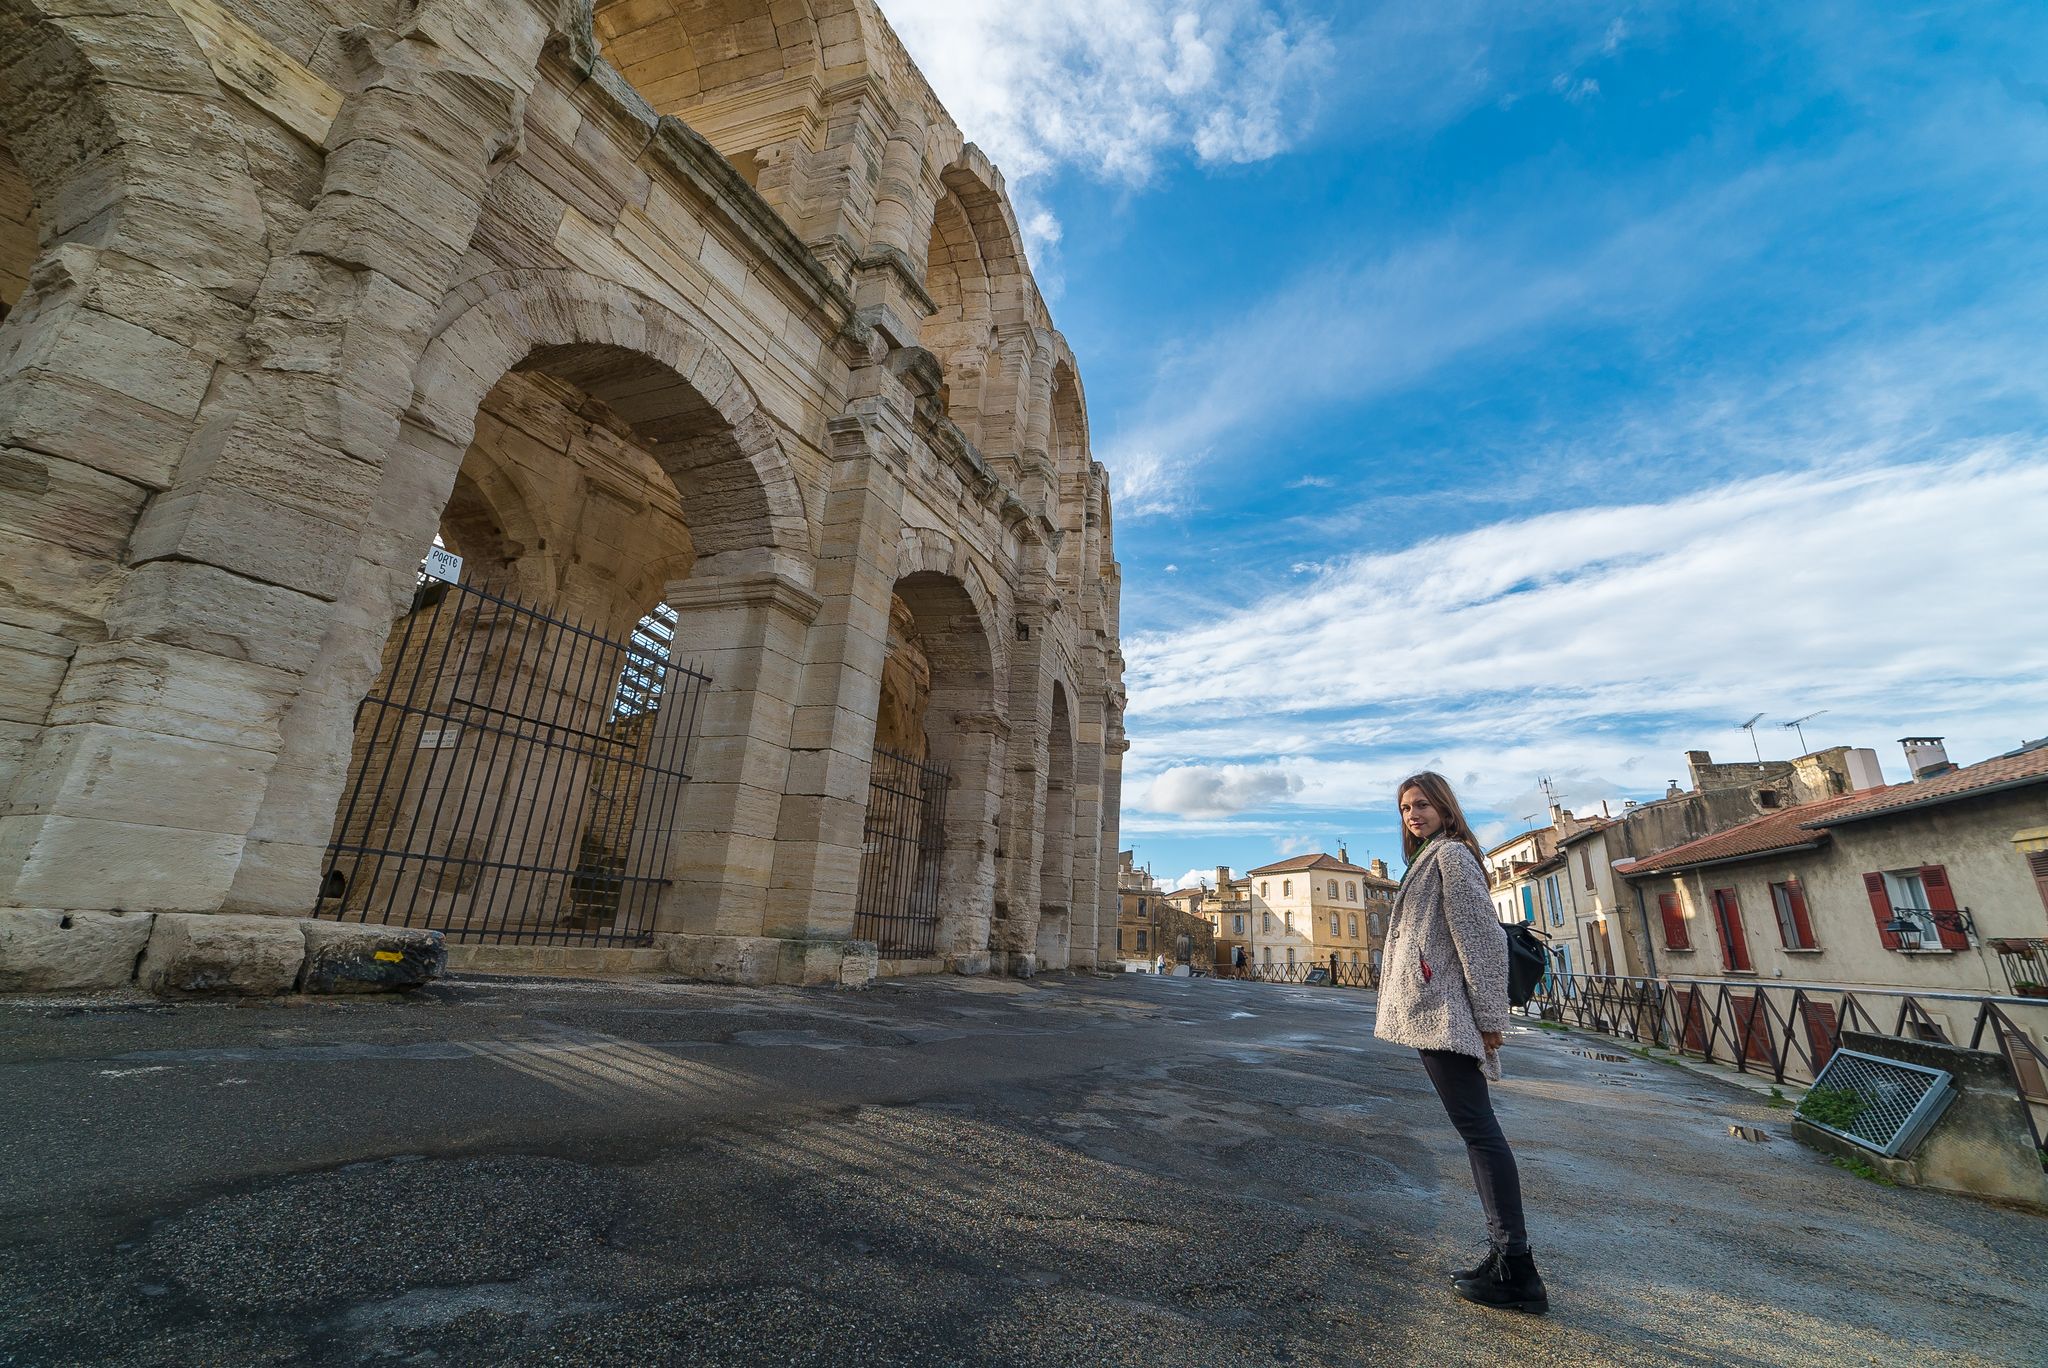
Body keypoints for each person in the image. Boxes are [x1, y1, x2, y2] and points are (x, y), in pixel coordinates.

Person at [1373, 771, 1548, 1315]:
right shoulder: (1432, 857)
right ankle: (1506, 1259)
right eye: (1405, 808)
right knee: (1478, 1132)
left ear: (1446, 807)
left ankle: (1515, 1266)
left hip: (1446, 1014)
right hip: (1435, 1012)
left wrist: (1491, 1019)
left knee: (1481, 1133)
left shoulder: (1450, 856)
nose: (1412, 815)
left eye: (1422, 804)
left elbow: (1482, 942)